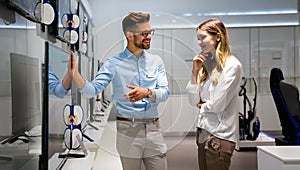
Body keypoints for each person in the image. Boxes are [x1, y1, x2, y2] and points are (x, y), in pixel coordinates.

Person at [70, 12, 169, 170]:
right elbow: (91, 90)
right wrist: (75, 74)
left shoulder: (156, 61)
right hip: (127, 131)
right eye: (144, 33)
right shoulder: (113, 63)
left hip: (154, 130)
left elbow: (165, 92)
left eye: (150, 32)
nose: (149, 36)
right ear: (129, 35)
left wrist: (147, 92)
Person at [186, 18, 242, 170]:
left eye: (203, 37)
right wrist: (195, 71)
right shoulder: (206, 65)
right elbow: (192, 100)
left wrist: (202, 106)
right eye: (198, 38)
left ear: (217, 36)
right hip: (203, 132)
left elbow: (218, 105)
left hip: (219, 137)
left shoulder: (232, 66)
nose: (199, 42)